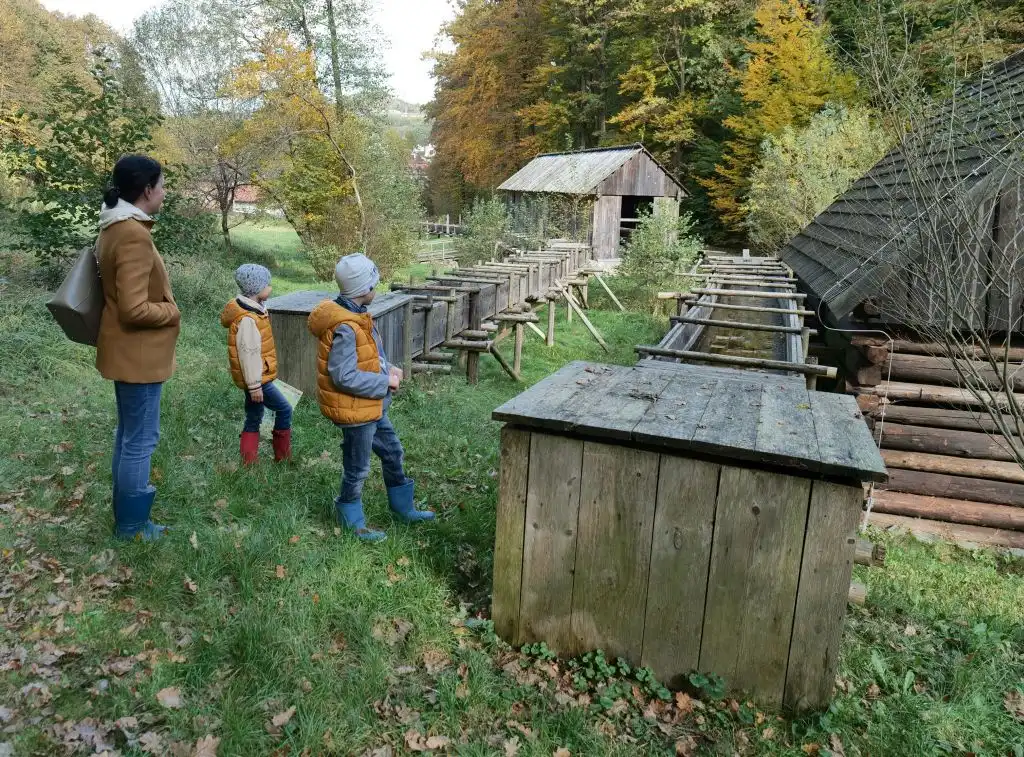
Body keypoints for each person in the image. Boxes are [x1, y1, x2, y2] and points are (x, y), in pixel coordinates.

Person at [306, 253, 434, 542]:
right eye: (375, 285)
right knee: (358, 467)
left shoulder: (358, 315)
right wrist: (383, 381)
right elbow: (343, 375)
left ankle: (403, 509)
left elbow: (369, 357)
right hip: (356, 413)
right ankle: (351, 519)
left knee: (392, 452)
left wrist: (388, 368)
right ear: (363, 290)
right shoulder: (345, 327)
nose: (377, 290)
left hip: (371, 408)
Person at [95, 154, 179, 541]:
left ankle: (127, 519)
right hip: (139, 355)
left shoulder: (115, 226)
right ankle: (132, 526)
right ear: (147, 190)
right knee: (140, 440)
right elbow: (132, 308)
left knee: (129, 436)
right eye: (161, 185)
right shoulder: (132, 233)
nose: (164, 192)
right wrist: (170, 311)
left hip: (128, 352)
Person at [220, 264, 292, 464]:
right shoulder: (248, 320)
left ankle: (248, 462)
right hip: (258, 380)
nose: (270, 287)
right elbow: (249, 354)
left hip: (257, 379)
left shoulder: (255, 311)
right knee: (284, 409)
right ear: (256, 289)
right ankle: (283, 457)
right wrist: (254, 386)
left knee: (254, 416)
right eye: (267, 284)